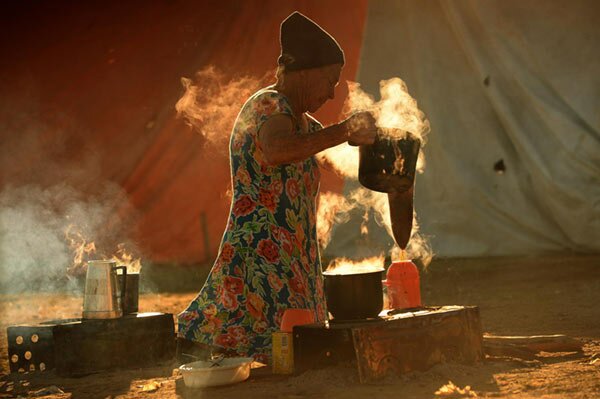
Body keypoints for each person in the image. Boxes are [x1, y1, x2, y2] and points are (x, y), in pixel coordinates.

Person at [177, 11, 377, 363]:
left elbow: (321, 151)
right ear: (306, 72)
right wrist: (343, 131)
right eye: (329, 81)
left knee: (298, 353)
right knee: (248, 348)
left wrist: (376, 147)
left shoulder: (304, 122)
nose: (331, 94)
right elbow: (276, 150)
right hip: (259, 257)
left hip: (294, 263)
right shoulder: (266, 105)